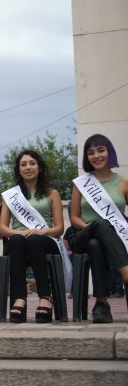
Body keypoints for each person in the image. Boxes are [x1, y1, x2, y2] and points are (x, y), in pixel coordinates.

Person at [0, 150, 67, 323]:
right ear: (18, 170)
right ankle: (19, 298)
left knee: (34, 240)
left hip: (46, 239)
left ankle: (45, 296)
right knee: (17, 240)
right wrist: (19, 233)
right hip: (18, 240)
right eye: (23, 164)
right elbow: (2, 228)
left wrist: (41, 231)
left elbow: (59, 228)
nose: (28, 167)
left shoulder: (52, 193)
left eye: (32, 163)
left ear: (40, 167)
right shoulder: (11, 196)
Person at [68, 134, 128, 323]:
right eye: (91, 152)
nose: (96, 155)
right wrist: (93, 227)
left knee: (97, 243)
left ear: (109, 152)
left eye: (100, 150)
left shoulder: (123, 183)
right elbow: (74, 217)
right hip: (81, 236)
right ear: (87, 157)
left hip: (113, 239)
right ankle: (126, 272)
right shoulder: (81, 183)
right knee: (98, 229)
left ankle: (102, 304)